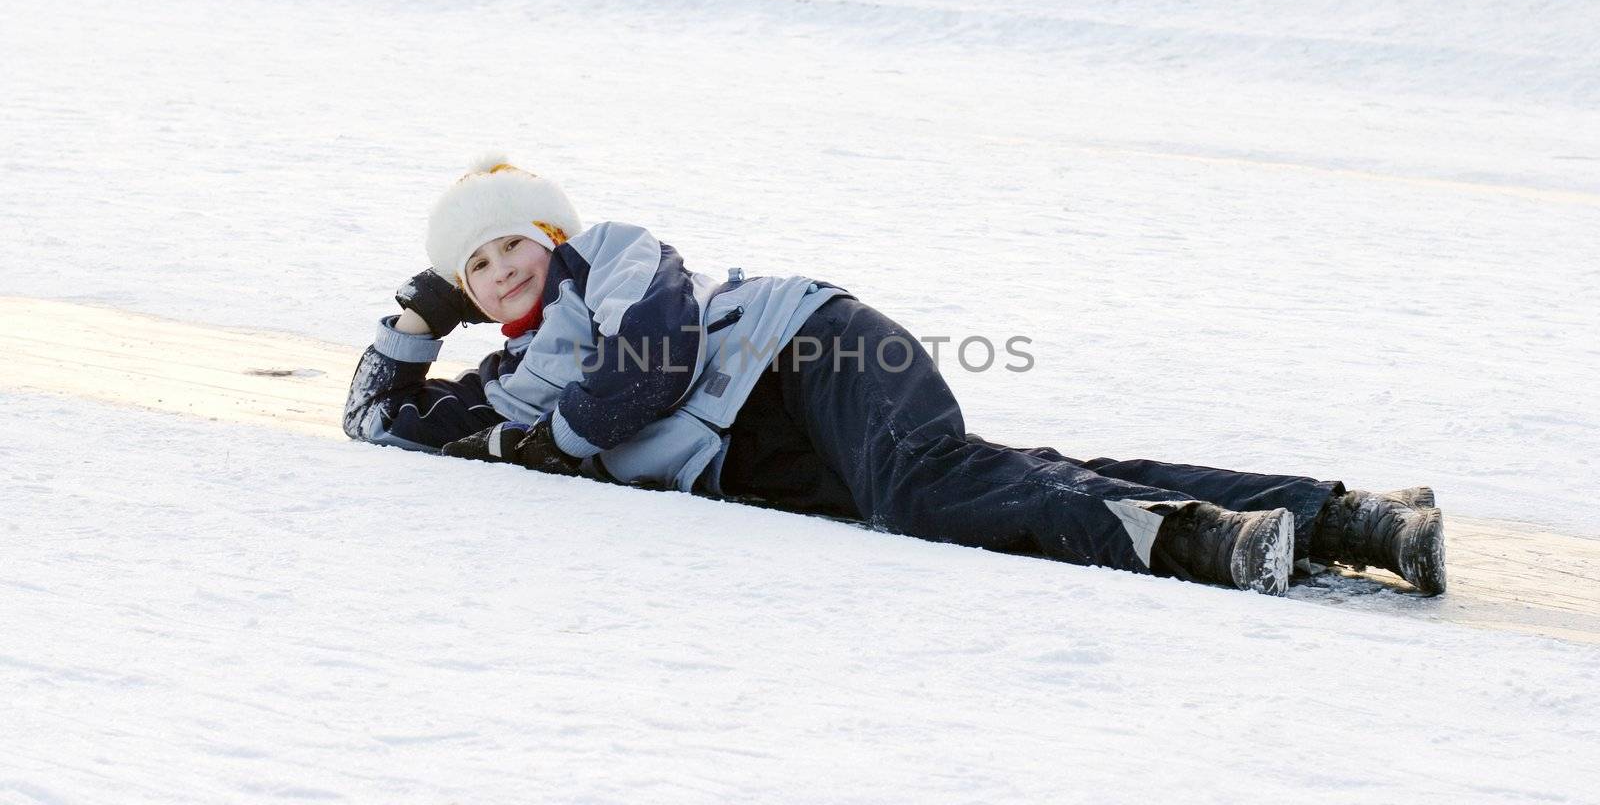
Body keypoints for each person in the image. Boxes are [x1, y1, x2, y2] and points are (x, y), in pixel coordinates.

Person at [344, 154, 1447, 597]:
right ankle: (1349, 520)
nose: (499, 271)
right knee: (1012, 477)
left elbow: (653, 364)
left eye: (510, 244)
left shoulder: (618, 254)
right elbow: (377, 422)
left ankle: (1194, 539)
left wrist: (553, 443)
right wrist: (412, 315)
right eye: (472, 267)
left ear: (552, 233)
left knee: (924, 488)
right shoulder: (510, 382)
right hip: (771, 457)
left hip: (814, 353)